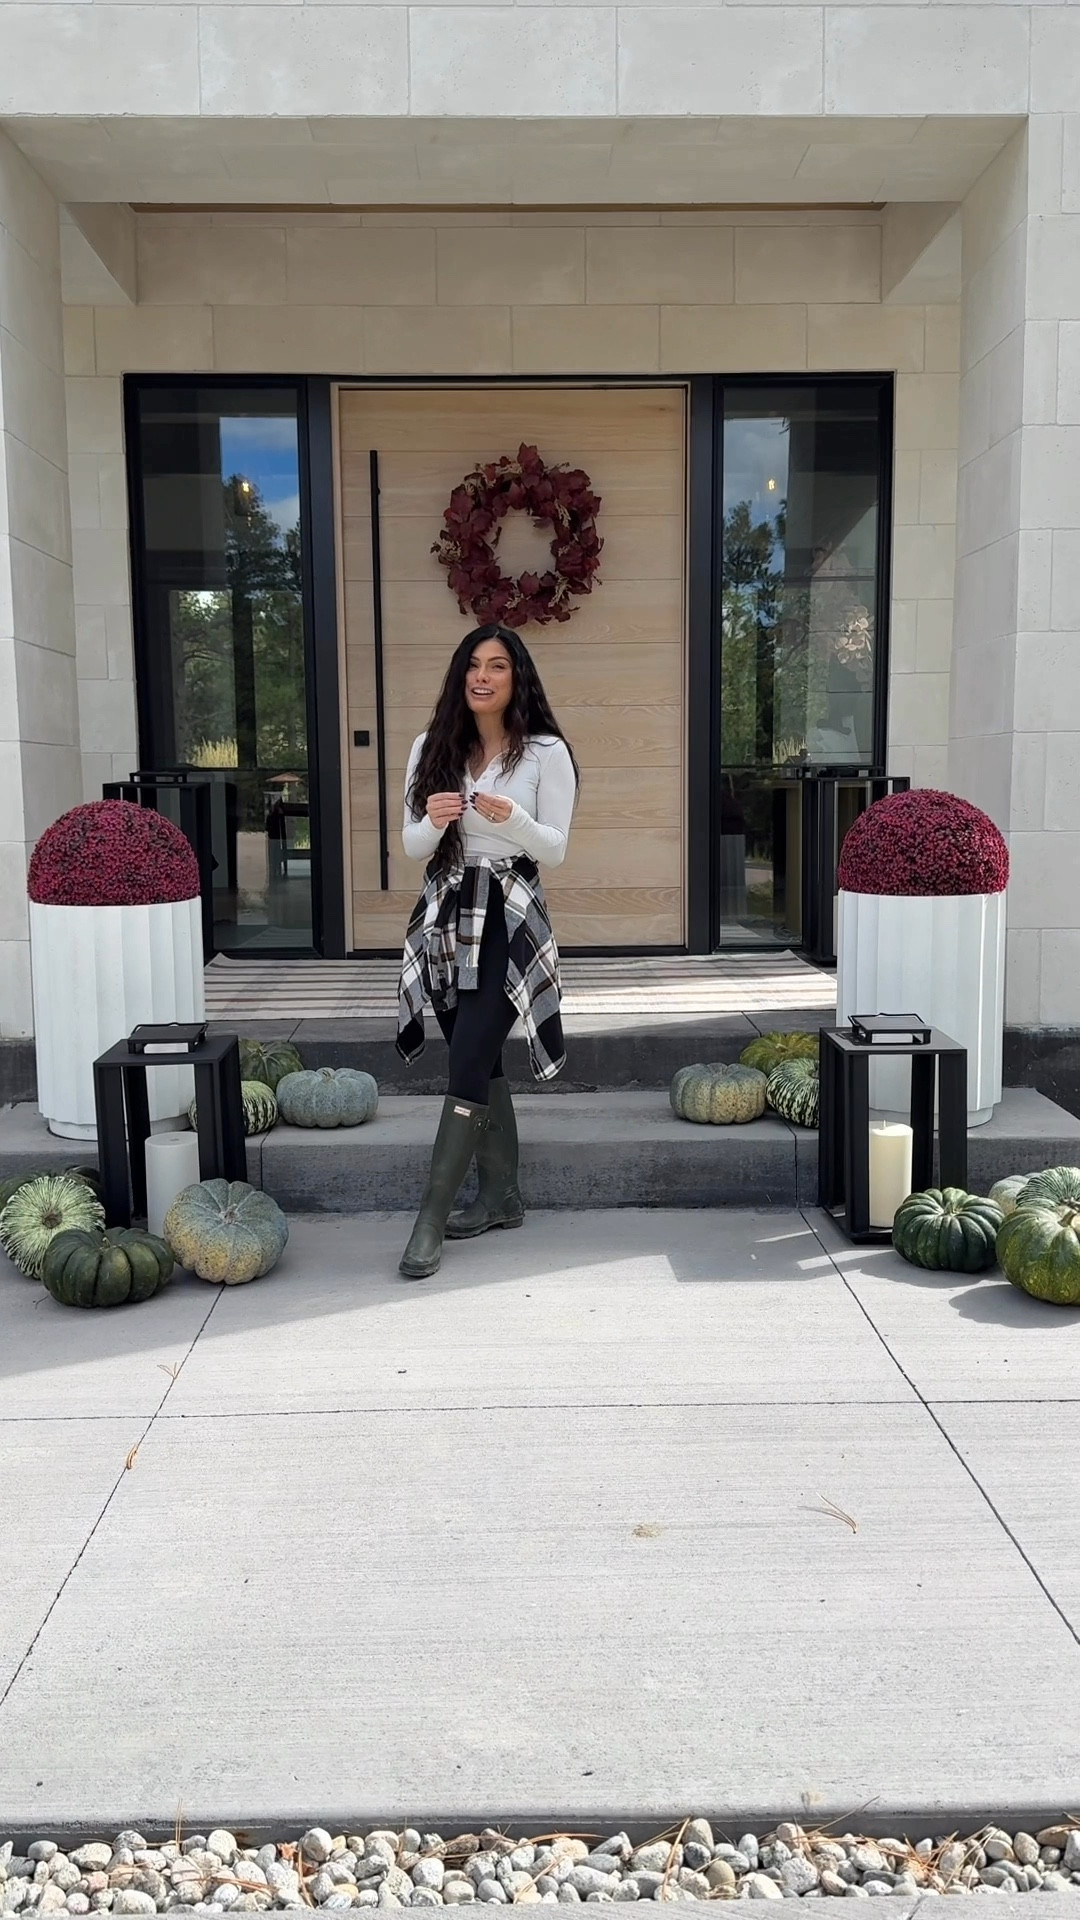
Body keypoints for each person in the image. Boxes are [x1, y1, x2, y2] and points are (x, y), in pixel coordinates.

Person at [396, 622, 578, 1279]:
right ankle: (502, 1195)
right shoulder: (430, 747)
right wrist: (435, 819)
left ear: (516, 677)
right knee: (477, 1055)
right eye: (474, 664)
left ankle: (430, 1220)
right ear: (460, 675)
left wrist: (515, 820)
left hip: (508, 911)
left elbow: (555, 848)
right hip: (445, 911)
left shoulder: (546, 753)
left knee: (469, 1055)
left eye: (498, 665)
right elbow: (412, 846)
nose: (483, 675)